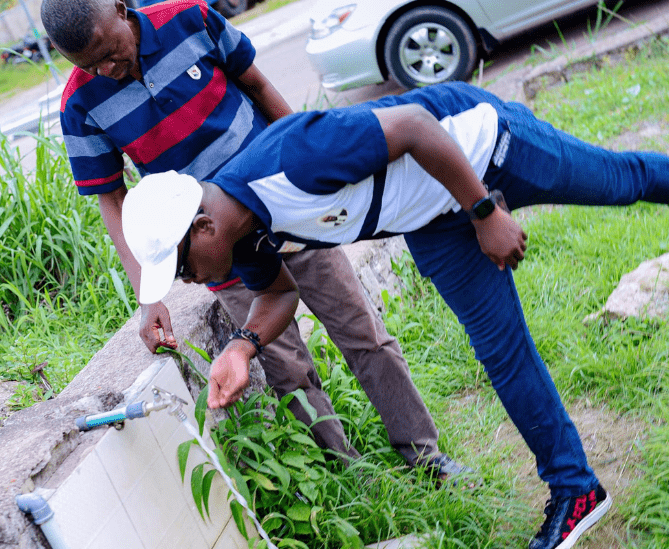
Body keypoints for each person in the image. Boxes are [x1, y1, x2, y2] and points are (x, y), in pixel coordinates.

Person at [120, 81, 669, 549]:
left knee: (622, 180)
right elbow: (278, 298)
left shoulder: (288, 159)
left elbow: (410, 123)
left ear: (202, 227)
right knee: (500, 351)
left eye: (183, 264)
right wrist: (242, 346)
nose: (190, 280)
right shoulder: (244, 240)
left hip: (480, 151)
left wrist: (485, 208)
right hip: (429, 217)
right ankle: (576, 490)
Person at [39, 0, 473, 481]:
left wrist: (308, 170)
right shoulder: (79, 103)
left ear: (122, 11)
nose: (106, 68)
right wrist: (149, 295)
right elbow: (113, 202)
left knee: (361, 331)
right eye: (88, 65)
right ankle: (353, 479)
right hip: (214, 248)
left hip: (284, 208)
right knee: (286, 367)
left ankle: (425, 456)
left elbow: (258, 85)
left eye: (109, 51)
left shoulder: (191, 19)